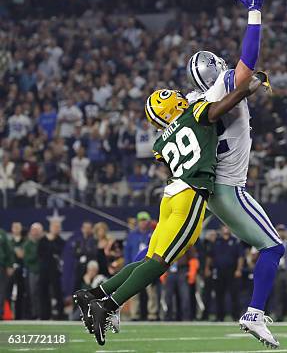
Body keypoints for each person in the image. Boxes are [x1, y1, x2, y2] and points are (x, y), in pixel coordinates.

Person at [73, 64, 267, 345]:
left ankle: (94, 293)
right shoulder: (193, 113)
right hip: (190, 194)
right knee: (160, 264)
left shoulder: (160, 141)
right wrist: (249, 87)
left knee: (150, 259)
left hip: (171, 195)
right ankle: (109, 305)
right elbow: (220, 108)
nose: (179, 96)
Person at [184, 0, 283, 347]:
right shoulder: (224, 83)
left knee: (163, 254)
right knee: (274, 247)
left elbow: (245, 83)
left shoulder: (198, 99)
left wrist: (251, 85)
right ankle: (254, 313)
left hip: (213, 186)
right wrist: (255, 13)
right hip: (228, 187)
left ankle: (112, 298)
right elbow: (248, 62)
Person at [123, 212, 157, 321]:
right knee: (133, 291)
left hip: (148, 265)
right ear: (138, 222)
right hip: (134, 266)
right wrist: (127, 265)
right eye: (141, 220)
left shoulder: (152, 234)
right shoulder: (132, 235)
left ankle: (152, 314)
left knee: (151, 292)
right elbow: (127, 252)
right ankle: (134, 314)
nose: (143, 222)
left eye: (145, 220)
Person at [210, 226, 245, 322]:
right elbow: (210, 256)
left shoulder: (235, 241)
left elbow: (240, 257)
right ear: (221, 230)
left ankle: (236, 316)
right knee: (219, 294)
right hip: (219, 271)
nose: (225, 229)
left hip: (232, 271)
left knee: (234, 294)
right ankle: (219, 316)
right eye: (223, 227)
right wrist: (208, 268)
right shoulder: (217, 241)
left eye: (227, 227)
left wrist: (239, 269)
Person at [39, 220, 65, 320]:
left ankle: (60, 315)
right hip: (44, 269)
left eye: (58, 227)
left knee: (57, 292)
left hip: (56, 270)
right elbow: (40, 254)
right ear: (50, 227)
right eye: (55, 227)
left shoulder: (61, 241)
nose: (56, 229)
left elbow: (61, 253)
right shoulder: (43, 240)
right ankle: (44, 315)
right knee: (43, 292)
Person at [23, 222, 43, 319]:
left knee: (43, 293)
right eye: (34, 230)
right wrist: (37, 254)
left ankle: (42, 312)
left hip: (43, 272)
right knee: (33, 293)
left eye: (37, 231)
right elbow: (27, 259)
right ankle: (35, 313)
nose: (35, 233)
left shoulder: (43, 242)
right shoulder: (28, 244)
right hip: (32, 271)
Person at [0, 227, 14, 321]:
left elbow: (8, 249)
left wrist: (9, 265)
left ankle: (0, 313)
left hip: (1, 265)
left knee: (1, 291)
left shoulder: (2, 233)